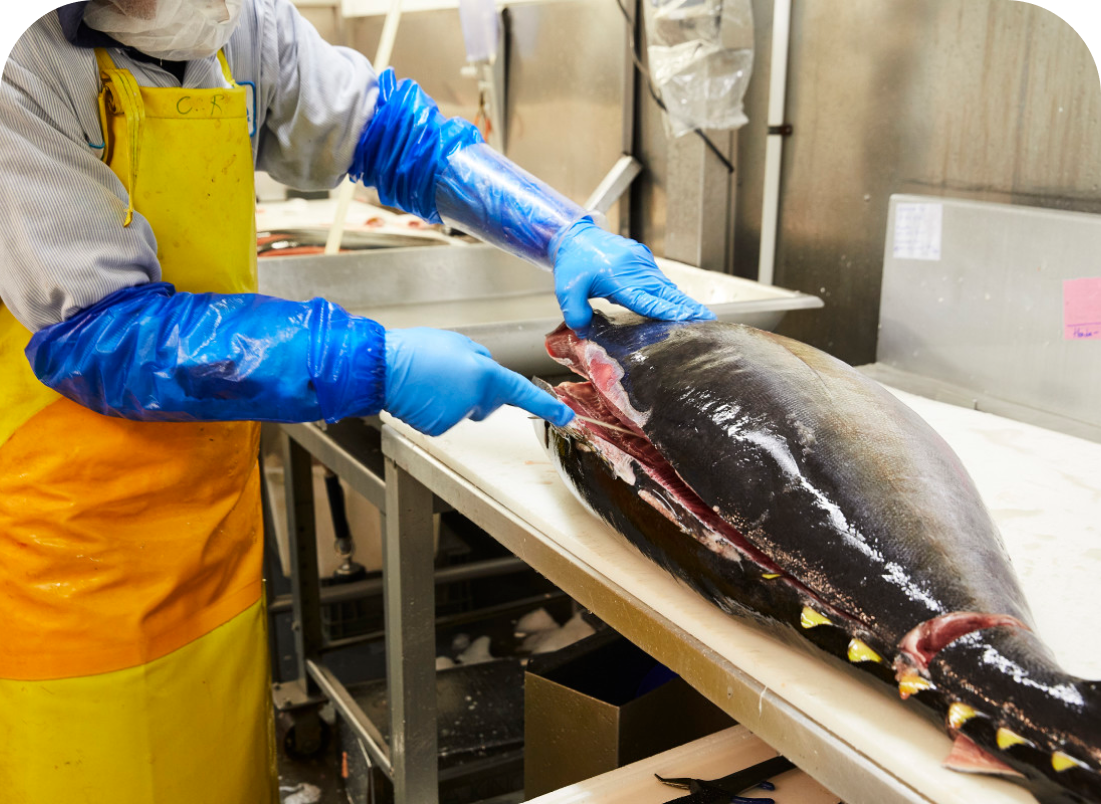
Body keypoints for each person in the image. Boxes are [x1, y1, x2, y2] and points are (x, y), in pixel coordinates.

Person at [0, 1, 713, 800]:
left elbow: (388, 134)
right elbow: (106, 336)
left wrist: (560, 230)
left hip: (210, 522)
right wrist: (376, 362)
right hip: (67, 556)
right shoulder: (23, 69)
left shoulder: (230, 20)